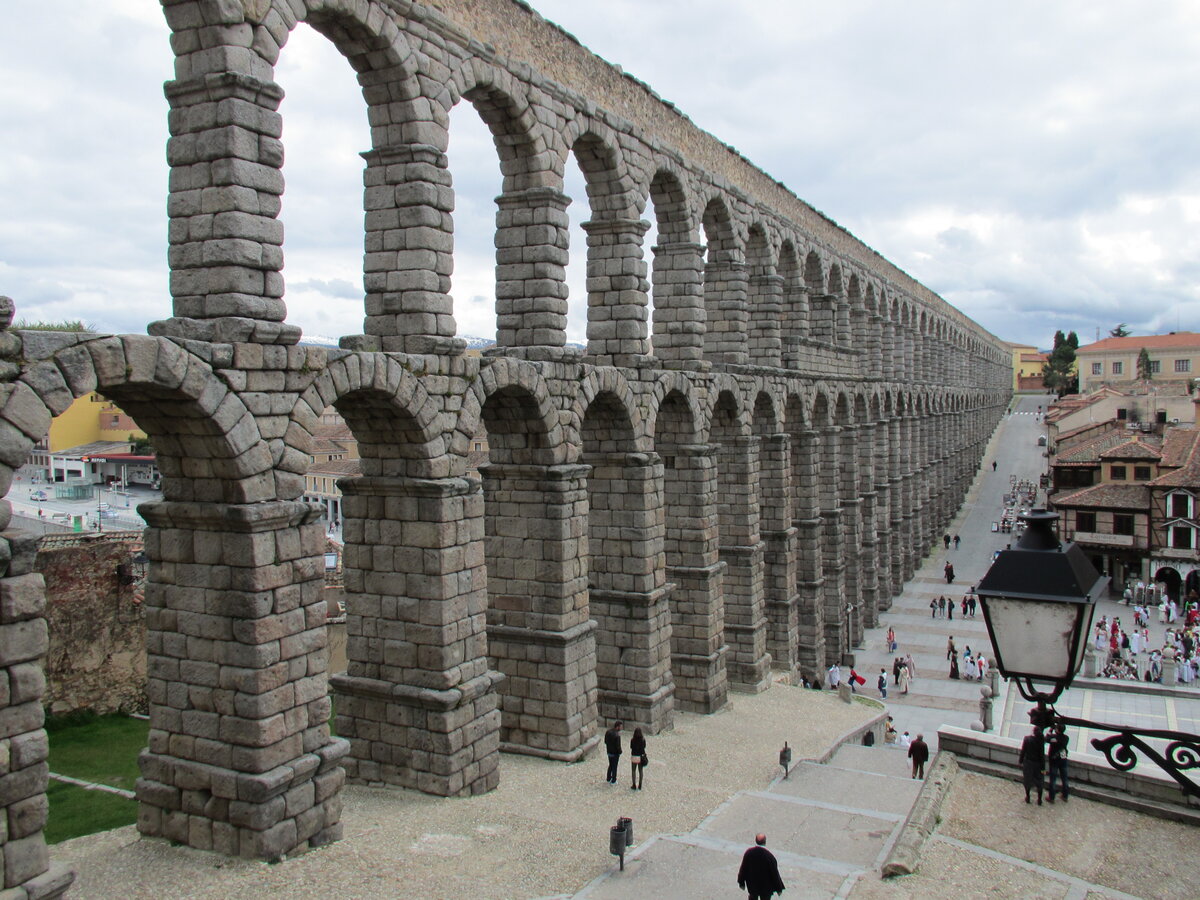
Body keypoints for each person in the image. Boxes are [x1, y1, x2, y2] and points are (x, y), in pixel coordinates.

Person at [737, 833, 786, 900]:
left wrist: (741, 882)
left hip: (752, 886)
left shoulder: (749, 853)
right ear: (765, 841)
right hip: (766, 888)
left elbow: (743, 868)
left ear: (755, 840)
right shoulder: (769, 856)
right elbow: (774, 873)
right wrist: (779, 888)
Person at [1019, 726, 1046, 804]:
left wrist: (1020, 761)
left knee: (1027, 780)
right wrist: (1043, 768)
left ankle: (1028, 797)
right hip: (1038, 764)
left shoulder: (1027, 739)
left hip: (1028, 763)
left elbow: (1023, 751)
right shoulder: (1041, 741)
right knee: (1040, 781)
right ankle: (1039, 799)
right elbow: (1042, 755)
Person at [1046, 722, 1069, 803]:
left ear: (1057, 730)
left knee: (1053, 779)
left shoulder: (1054, 737)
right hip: (1063, 756)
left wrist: (1050, 730)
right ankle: (1065, 795)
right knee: (1065, 778)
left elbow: (1047, 739)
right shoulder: (1066, 738)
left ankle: (1051, 797)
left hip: (1054, 759)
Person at [604, 720, 623, 784]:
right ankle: (613, 780)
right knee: (614, 766)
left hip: (609, 751)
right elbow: (618, 746)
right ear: (617, 727)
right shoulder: (617, 735)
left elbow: (605, 741)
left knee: (610, 765)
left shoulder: (608, 732)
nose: (621, 728)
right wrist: (620, 752)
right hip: (615, 753)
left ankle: (608, 778)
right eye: (620, 727)